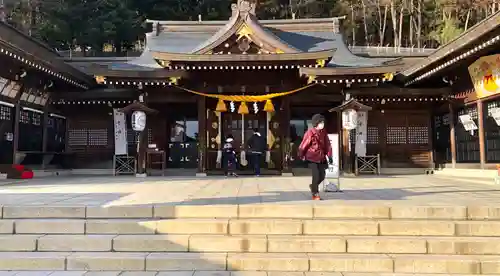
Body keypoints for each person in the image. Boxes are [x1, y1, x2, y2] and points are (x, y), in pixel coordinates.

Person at [298, 114, 332, 200]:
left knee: (322, 175)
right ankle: (315, 194)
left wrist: (330, 155)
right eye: (321, 122)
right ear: (316, 123)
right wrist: (301, 155)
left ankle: (313, 186)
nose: (322, 124)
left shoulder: (323, 133)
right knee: (316, 175)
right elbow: (304, 145)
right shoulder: (310, 133)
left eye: (323, 122)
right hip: (312, 157)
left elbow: (328, 145)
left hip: (321, 157)